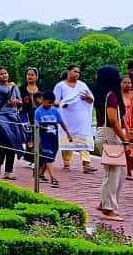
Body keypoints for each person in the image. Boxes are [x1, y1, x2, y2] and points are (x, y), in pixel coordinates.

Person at [94, 66, 129, 221]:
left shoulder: (103, 94)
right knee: (113, 172)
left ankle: (104, 202)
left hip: (105, 133)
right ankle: (108, 208)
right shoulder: (112, 96)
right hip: (110, 135)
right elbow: (114, 121)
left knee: (119, 172)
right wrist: (125, 140)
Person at [54, 65, 97, 174]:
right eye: (74, 71)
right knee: (66, 138)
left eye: (78, 72)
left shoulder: (82, 85)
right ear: (68, 71)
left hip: (81, 117)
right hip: (67, 117)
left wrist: (87, 98)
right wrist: (63, 104)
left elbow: (91, 99)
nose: (77, 74)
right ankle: (66, 163)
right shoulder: (60, 86)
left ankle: (86, 164)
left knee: (84, 138)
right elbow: (55, 101)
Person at [0, 67, 24, 180]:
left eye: (6, 73)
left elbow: (20, 101)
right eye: (1, 74)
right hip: (0, 117)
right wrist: (11, 86)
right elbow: (3, 92)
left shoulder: (14, 87)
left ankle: (8, 171)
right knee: (5, 141)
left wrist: (17, 102)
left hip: (12, 117)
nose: (4, 75)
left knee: (12, 143)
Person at [35, 91, 73, 187]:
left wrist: (68, 133)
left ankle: (40, 173)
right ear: (42, 100)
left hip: (53, 138)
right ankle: (53, 178)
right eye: (48, 102)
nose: (49, 105)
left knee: (50, 157)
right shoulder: (38, 112)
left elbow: (61, 122)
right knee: (48, 157)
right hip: (44, 138)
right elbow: (36, 127)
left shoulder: (55, 111)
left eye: (51, 103)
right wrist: (37, 140)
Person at [19, 68, 40, 168]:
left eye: (32, 75)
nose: (30, 77)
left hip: (37, 115)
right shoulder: (21, 89)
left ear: (36, 77)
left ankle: (36, 159)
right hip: (25, 115)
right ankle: (31, 158)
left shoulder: (40, 89)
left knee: (37, 137)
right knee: (29, 136)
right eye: (28, 75)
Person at [120, 76, 133, 181]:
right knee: (126, 149)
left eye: (129, 83)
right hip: (121, 125)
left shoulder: (132, 96)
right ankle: (128, 171)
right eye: (125, 82)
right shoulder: (117, 96)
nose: (127, 85)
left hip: (131, 124)